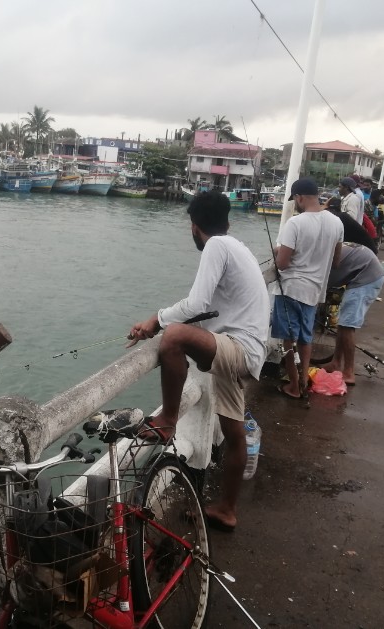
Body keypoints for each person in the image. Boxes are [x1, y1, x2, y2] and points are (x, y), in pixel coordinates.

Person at [128, 191, 269, 532]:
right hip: (248, 350)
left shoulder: (216, 246)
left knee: (174, 336)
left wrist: (156, 319)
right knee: (234, 432)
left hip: (237, 347)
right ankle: (226, 509)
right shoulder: (237, 246)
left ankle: (168, 419)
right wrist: (158, 322)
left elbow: (197, 303)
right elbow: (207, 308)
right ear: (227, 222)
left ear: (194, 226)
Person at [273, 178, 343, 399]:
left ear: (299, 197)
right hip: (314, 291)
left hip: (291, 289)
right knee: (305, 338)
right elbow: (336, 261)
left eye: (295, 199)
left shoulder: (295, 223)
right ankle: (303, 381)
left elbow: (282, 264)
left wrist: (277, 252)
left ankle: (294, 386)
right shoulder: (336, 223)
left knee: (289, 340)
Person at [319, 243, 384, 385]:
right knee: (343, 323)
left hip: (366, 277)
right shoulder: (323, 247)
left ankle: (349, 372)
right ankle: (336, 362)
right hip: (365, 271)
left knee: (348, 325)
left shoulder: (319, 258)